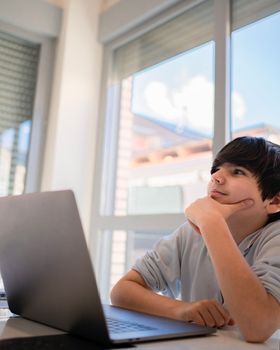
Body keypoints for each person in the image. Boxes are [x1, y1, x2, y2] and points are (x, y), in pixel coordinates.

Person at [110, 136, 280, 343]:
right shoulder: (190, 233)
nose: (216, 177)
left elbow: (258, 327)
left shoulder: (274, 237)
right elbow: (121, 292)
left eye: (237, 172)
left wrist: (212, 223)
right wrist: (182, 310)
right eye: (216, 169)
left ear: (275, 201)